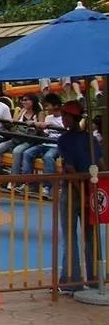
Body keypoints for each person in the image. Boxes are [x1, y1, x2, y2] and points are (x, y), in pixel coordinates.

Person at [55, 100, 104, 293]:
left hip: (72, 191)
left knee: (70, 236)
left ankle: (71, 280)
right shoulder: (91, 140)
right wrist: (95, 191)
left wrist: (81, 193)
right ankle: (94, 278)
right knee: (91, 236)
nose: (63, 118)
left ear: (70, 117)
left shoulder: (64, 140)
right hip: (92, 190)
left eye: (64, 115)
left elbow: (70, 169)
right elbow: (101, 164)